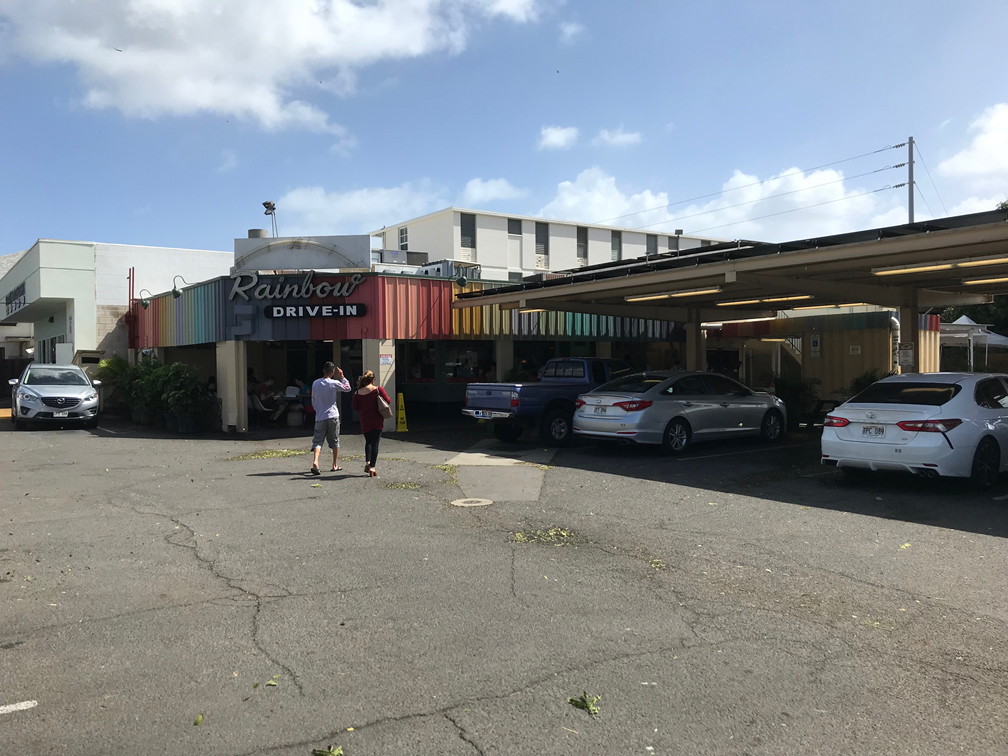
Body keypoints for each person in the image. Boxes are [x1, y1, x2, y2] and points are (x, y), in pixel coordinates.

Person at [309, 362, 351, 475]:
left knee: (318, 440)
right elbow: (348, 388)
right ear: (332, 372)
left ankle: (315, 461)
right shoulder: (333, 383)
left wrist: (317, 410)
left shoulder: (315, 383)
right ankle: (334, 464)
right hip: (332, 415)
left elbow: (313, 399)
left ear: (323, 370)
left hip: (320, 416)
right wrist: (342, 377)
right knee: (334, 440)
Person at [351, 370, 391, 478]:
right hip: (377, 419)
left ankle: (367, 462)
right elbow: (388, 400)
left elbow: (355, 407)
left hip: (365, 420)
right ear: (373, 380)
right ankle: (372, 467)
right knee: (375, 443)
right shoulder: (378, 390)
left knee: (368, 441)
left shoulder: (358, 393)